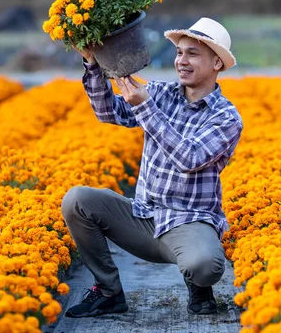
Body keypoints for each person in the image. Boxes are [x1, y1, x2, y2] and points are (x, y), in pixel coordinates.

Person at [61, 17, 244, 318]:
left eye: (193, 54)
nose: (182, 61)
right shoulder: (160, 93)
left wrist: (146, 107)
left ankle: (198, 286)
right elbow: (109, 112)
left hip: (188, 221)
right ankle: (108, 292)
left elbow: (189, 158)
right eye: (179, 53)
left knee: (204, 266)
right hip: (143, 217)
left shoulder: (226, 118)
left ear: (216, 64)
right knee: (77, 200)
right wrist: (93, 64)